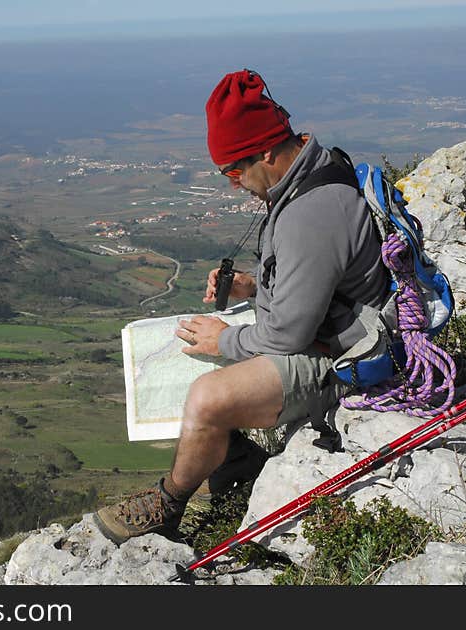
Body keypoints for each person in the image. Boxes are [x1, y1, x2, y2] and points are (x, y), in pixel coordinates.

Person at [93, 69, 390, 545]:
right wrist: (254, 288)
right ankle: (237, 470)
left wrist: (225, 339)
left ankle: (167, 505)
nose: (234, 185)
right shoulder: (306, 176)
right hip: (322, 331)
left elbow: (287, 337)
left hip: (341, 359)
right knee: (188, 357)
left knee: (206, 396)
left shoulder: (310, 213)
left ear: (268, 151)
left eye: (234, 171)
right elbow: (315, 282)